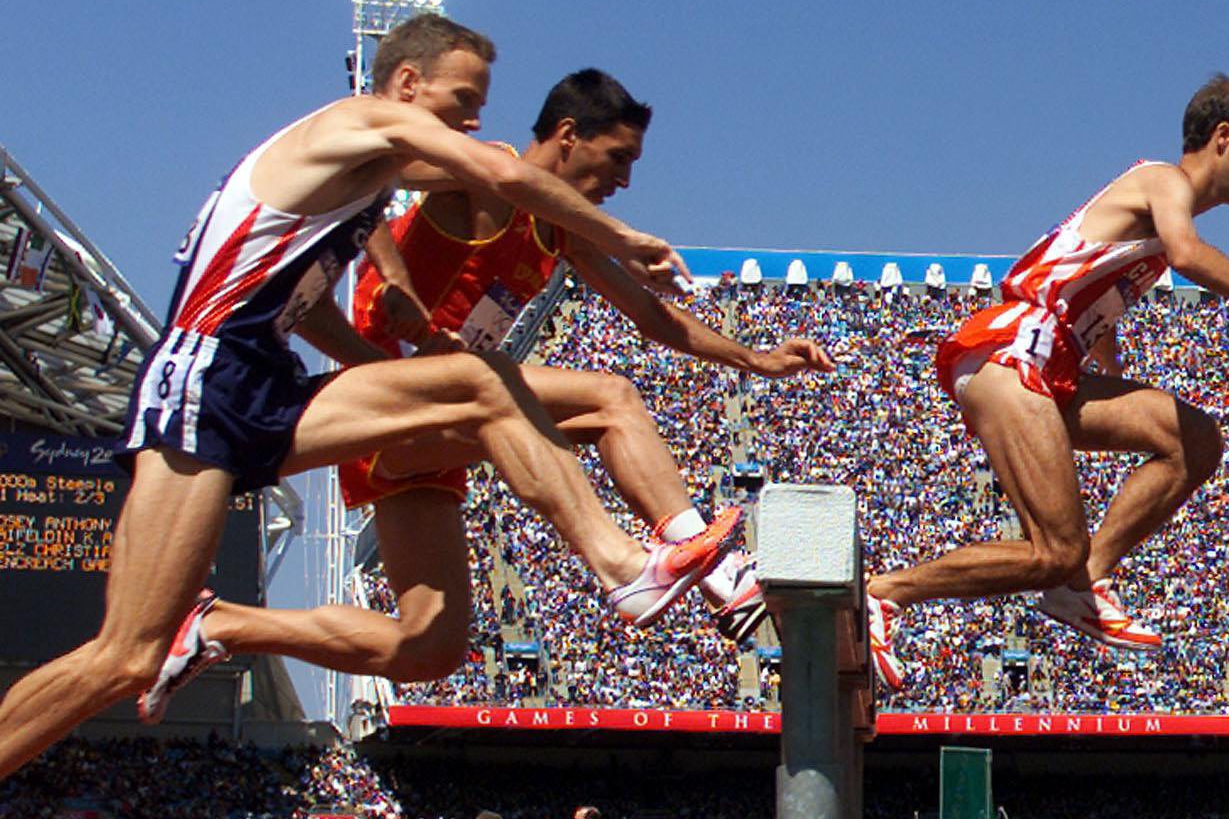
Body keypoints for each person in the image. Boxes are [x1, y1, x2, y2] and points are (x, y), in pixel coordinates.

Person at [0, 13, 694, 782]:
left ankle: (622, 564)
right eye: (463, 101)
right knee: (125, 656)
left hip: (266, 382)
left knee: (476, 383)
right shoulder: (355, 120)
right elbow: (498, 175)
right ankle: (623, 563)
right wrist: (624, 237)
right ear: (407, 84)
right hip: (205, 380)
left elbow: (309, 308)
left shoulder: (360, 184)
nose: (474, 122)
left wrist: (385, 360)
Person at [139, 70, 836, 716]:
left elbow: (651, 316)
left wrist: (756, 358)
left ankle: (219, 624)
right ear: (568, 134)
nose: (624, 180)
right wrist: (392, 276)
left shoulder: (555, 229)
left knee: (429, 648)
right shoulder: (482, 178)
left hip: (443, 424)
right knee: (610, 399)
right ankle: (721, 577)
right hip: (388, 405)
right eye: (618, 157)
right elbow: (374, 172)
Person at [864, 75, 1229, 687]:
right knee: (1053, 552)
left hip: (1052, 361)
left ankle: (1083, 583)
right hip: (1010, 349)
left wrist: (1113, 374)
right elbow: (1188, 255)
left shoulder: (1150, 219)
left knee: (1195, 441)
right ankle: (884, 593)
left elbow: (1089, 297)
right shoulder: (1163, 181)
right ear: (1223, 137)